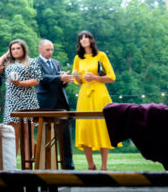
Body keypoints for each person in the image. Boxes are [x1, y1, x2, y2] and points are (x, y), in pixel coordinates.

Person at [72, 30, 115, 170]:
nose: (83, 40)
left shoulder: (101, 56)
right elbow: (76, 81)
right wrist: (77, 77)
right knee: (84, 128)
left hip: (100, 94)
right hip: (84, 95)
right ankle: (90, 165)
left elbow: (111, 77)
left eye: (86, 37)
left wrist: (95, 78)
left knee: (102, 127)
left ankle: (104, 165)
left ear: (91, 40)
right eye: (81, 38)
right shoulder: (78, 59)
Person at [35, 39, 75, 169]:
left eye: (51, 49)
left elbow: (61, 81)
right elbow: (43, 78)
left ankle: (68, 166)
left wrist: (65, 80)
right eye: (47, 50)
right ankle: (46, 165)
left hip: (61, 102)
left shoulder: (56, 63)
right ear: (39, 49)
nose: (50, 52)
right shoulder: (35, 63)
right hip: (46, 104)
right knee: (46, 138)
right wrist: (60, 78)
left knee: (66, 136)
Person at [0, 39, 41, 125]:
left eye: (18, 48)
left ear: (23, 49)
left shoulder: (31, 62)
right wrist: (6, 55)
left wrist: (20, 83)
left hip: (27, 100)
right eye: (13, 49)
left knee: (28, 134)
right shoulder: (8, 63)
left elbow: (36, 80)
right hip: (11, 101)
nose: (15, 51)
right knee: (12, 133)